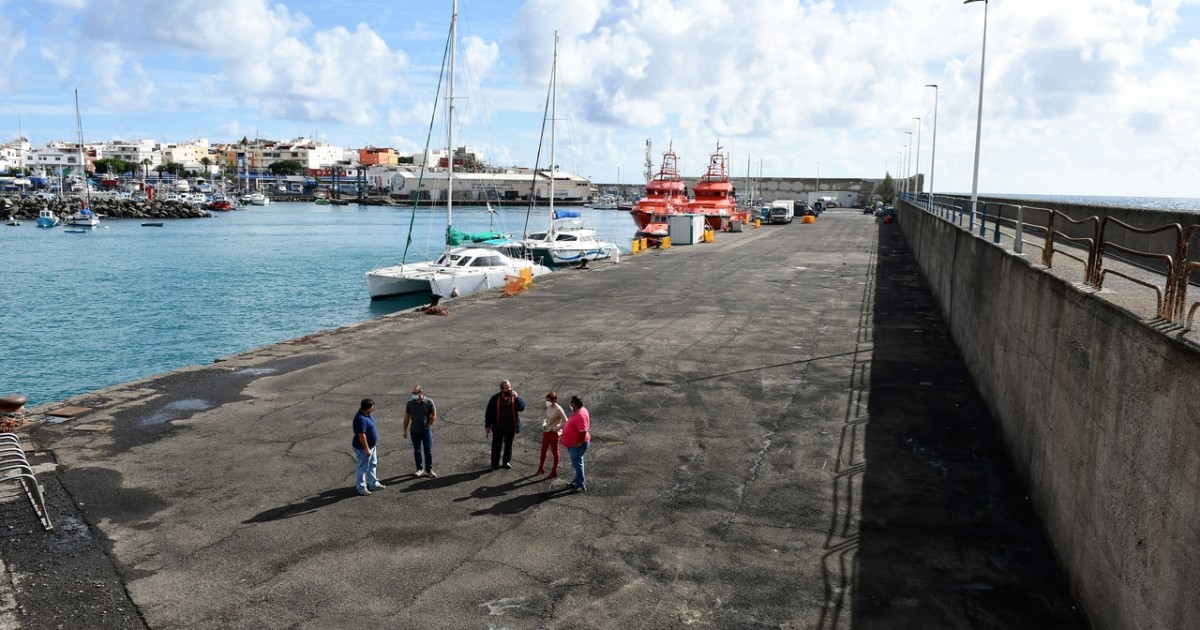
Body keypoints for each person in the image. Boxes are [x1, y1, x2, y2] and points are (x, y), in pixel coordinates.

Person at [484, 380, 524, 470]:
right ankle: (494, 464)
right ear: (502, 389)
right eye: (506, 388)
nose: (509, 389)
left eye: (509, 387)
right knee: (496, 447)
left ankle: (506, 462)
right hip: (499, 428)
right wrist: (487, 425)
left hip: (511, 427)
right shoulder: (495, 398)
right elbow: (488, 412)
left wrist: (517, 398)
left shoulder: (514, 397)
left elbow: (521, 408)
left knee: (508, 446)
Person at [351, 398, 385, 496]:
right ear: (369, 408)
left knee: (372, 464)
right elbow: (361, 435)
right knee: (363, 468)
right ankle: (361, 488)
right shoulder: (360, 419)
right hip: (363, 448)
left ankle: (373, 484)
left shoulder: (367, 414)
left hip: (371, 446)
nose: (373, 408)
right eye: (372, 406)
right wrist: (366, 449)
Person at [403, 385, 437, 478]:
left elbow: (434, 414)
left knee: (428, 450)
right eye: (413, 393)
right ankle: (419, 469)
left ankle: (429, 469)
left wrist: (429, 424)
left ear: (421, 393)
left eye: (415, 393)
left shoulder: (429, 402)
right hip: (414, 431)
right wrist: (404, 430)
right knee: (417, 451)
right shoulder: (410, 403)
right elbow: (407, 417)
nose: (413, 395)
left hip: (426, 431)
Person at [561, 395, 591, 492]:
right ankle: (577, 481)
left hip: (577, 445)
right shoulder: (577, 411)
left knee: (577, 464)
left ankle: (581, 484)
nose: (570, 404)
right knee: (576, 463)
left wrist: (579, 443)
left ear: (575, 404)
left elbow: (583, 431)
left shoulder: (580, 415)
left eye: (572, 402)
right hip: (573, 444)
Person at [537, 391, 567, 477]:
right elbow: (545, 417)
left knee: (555, 452)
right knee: (543, 450)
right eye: (546, 400)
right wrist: (543, 424)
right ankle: (540, 468)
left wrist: (557, 428)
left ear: (554, 400)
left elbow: (565, 420)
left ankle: (554, 471)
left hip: (554, 433)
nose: (547, 402)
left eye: (549, 400)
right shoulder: (549, 407)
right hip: (547, 431)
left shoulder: (559, 409)